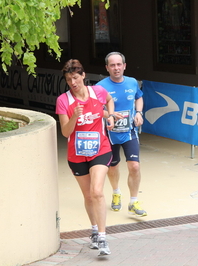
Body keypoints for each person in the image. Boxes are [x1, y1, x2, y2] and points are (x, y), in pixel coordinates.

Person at [55, 59, 115, 256]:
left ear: (83, 76)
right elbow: (65, 132)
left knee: (97, 191)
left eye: (75, 78)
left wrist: (111, 116)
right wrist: (74, 116)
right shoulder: (64, 100)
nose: (73, 83)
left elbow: (109, 100)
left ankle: (104, 238)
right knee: (88, 195)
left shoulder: (97, 92)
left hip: (100, 149)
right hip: (77, 154)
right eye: (68, 79)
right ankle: (95, 231)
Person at [96, 52, 147, 217]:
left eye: (119, 65)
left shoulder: (132, 82)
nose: (116, 68)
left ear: (124, 66)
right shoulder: (100, 87)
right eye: (112, 65)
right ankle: (116, 192)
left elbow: (139, 98)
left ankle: (133, 201)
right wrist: (109, 115)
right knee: (113, 166)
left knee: (134, 166)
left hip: (129, 131)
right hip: (110, 133)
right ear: (107, 68)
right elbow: (95, 108)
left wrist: (139, 112)